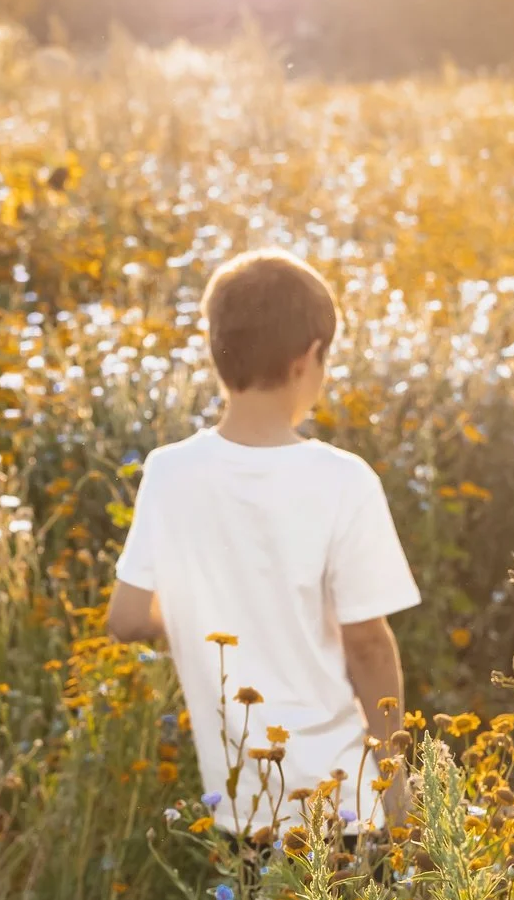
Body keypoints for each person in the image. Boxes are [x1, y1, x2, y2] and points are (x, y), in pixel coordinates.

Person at [103, 248, 422, 839]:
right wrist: (399, 795)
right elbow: (369, 649)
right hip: (346, 803)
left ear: (215, 349)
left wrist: (208, 619)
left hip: (243, 808)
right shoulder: (343, 479)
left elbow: (124, 619)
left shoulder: (169, 471)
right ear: (309, 358)